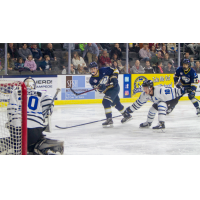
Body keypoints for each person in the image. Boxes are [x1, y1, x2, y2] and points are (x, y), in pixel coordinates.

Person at [6, 77, 64, 155]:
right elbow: (49, 106)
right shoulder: (42, 94)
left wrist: (11, 122)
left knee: (17, 146)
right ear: (34, 86)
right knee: (35, 144)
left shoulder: (15, 93)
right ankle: (40, 149)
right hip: (35, 129)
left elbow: (11, 110)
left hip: (17, 129)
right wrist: (41, 116)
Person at [89, 62, 132, 127]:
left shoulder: (103, 70)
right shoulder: (92, 80)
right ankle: (127, 115)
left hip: (114, 88)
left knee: (105, 101)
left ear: (96, 68)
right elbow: (99, 89)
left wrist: (114, 77)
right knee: (115, 103)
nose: (92, 70)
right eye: (91, 69)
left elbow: (115, 70)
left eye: (94, 69)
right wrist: (101, 88)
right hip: (107, 91)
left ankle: (109, 119)